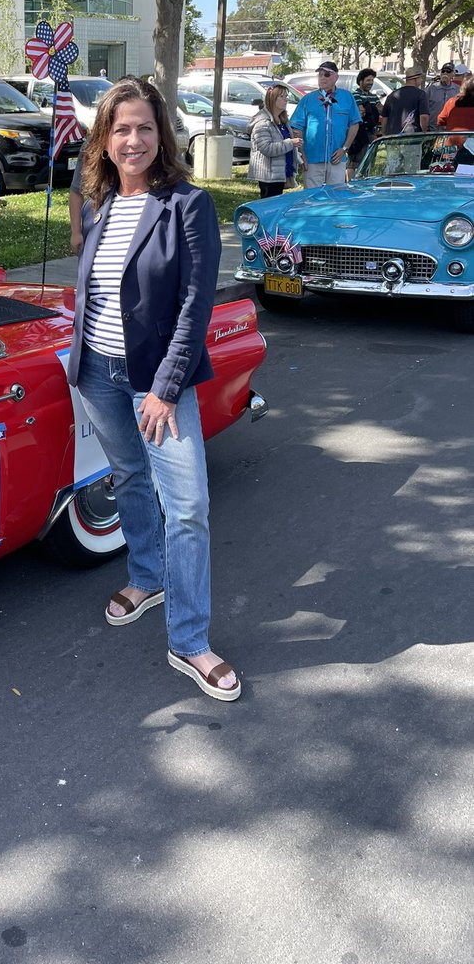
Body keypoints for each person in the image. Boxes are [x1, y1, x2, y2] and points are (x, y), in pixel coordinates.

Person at [67, 75, 240, 701]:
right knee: (129, 478)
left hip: (156, 381)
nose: (133, 140)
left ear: (161, 135)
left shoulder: (187, 204)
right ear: (105, 140)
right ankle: (147, 576)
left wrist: (166, 387)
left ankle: (189, 640)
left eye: (144, 127)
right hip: (97, 371)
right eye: (121, 129)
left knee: (187, 506)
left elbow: (195, 304)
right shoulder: (98, 202)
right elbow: (95, 289)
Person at [290, 61, 360, 187]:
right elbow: (297, 128)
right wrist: (302, 155)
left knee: (336, 194)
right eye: (320, 75)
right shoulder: (307, 99)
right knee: (312, 195)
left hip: (337, 158)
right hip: (312, 159)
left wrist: (344, 148)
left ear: (336, 77)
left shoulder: (347, 97)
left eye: (327, 75)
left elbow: (354, 123)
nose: (322, 78)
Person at [248, 83, 303, 198]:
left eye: (286, 96)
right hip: (269, 175)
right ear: (272, 99)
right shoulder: (262, 122)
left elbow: (281, 139)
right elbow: (266, 148)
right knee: (268, 205)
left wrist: (293, 137)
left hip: (280, 173)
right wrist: (291, 142)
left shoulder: (282, 120)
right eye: (282, 97)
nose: (286, 100)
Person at [349, 68, 383, 179]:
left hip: (371, 133)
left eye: (372, 80)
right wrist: (371, 109)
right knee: (354, 162)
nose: (370, 83)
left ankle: (364, 181)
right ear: (360, 81)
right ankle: (351, 183)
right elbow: (361, 111)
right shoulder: (355, 95)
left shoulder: (373, 96)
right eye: (368, 80)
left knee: (368, 160)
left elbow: (381, 109)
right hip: (359, 133)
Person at [381, 66, 430, 135]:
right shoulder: (421, 94)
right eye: (420, 78)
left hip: (393, 137)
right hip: (412, 136)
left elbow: (385, 118)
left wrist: (384, 134)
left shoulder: (392, 95)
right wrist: (424, 133)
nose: (421, 80)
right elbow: (424, 117)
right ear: (415, 79)